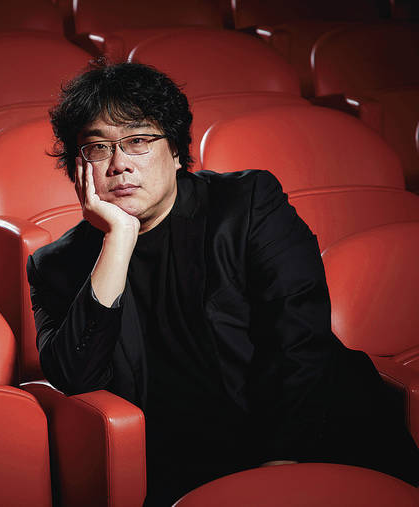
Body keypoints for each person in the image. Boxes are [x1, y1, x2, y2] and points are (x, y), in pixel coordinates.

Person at [26, 61, 419, 504]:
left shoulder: (247, 204)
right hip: (179, 463)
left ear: (176, 151)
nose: (119, 164)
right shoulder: (56, 264)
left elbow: (298, 336)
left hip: (308, 432)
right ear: (78, 167)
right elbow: (77, 379)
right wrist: (117, 239)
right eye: (97, 148)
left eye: (137, 141)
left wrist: (282, 458)